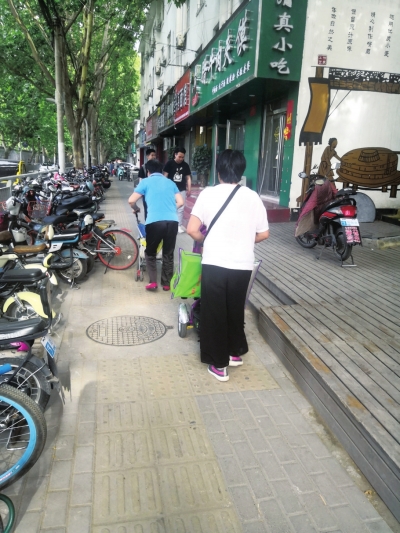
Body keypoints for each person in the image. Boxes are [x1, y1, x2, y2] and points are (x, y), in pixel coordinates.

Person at [187, 150, 270, 382]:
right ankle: (234, 353)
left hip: (215, 263)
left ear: (219, 171)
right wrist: (243, 241)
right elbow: (264, 233)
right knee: (234, 309)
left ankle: (219, 365)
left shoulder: (208, 194)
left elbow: (192, 229)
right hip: (242, 265)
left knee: (214, 313)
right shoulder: (253, 197)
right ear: (241, 171)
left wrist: (206, 240)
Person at [128, 159, 184, 291]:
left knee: (150, 252)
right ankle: (166, 283)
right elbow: (181, 202)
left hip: (154, 222)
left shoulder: (145, 182)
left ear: (148, 171)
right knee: (168, 253)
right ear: (161, 171)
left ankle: (153, 282)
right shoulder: (170, 182)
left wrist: (136, 208)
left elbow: (131, 200)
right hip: (172, 222)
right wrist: (170, 209)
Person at [163, 146, 192, 233]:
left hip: (181, 189)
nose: (181, 159)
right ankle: (168, 224)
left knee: (181, 208)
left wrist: (189, 189)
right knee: (169, 207)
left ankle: (178, 226)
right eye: (179, 157)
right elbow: (165, 176)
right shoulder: (169, 164)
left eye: (182, 157)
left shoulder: (185, 165)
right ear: (175, 155)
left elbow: (188, 178)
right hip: (170, 190)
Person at [138, 148, 156, 220]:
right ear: (147, 156)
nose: (154, 157)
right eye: (152, 155)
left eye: (155, 155)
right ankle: (147, 224)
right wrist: (141, 192)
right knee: (147, 209)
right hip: (146, 192)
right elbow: (141, 180)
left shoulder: (158, 166)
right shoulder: (143, 167)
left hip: (156, 192)